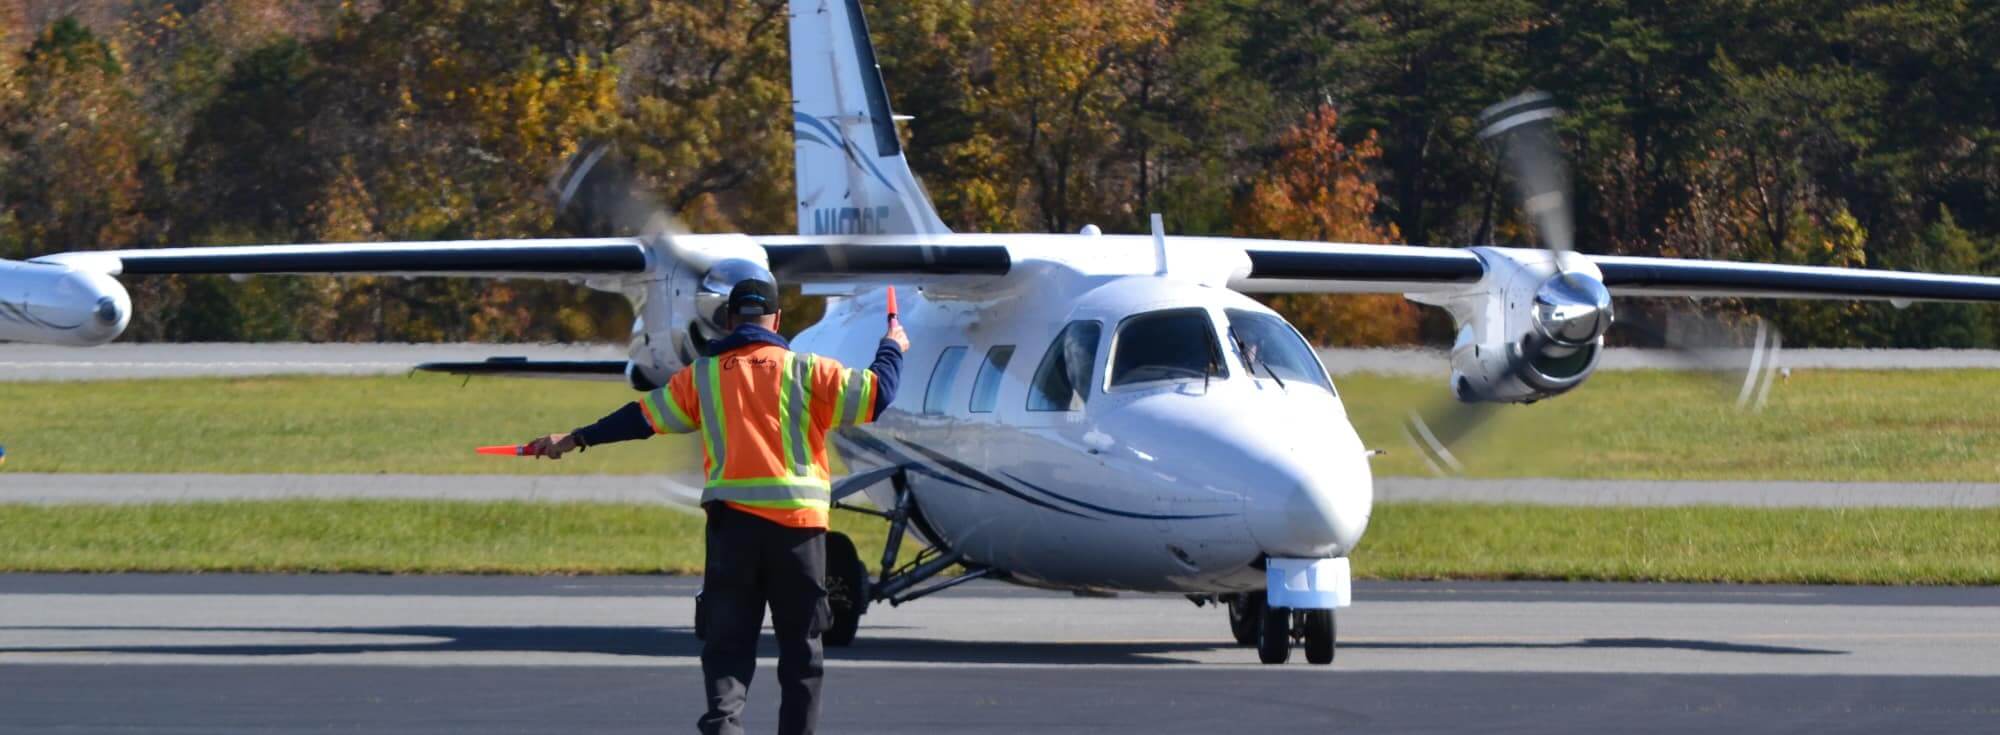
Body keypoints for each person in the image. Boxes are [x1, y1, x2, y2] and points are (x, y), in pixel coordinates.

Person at [523, 275, 907, 735]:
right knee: (802, 652)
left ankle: (725, 727)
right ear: (777, 319)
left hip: (733, 534)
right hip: (798, 535)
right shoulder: (808, 371)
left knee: (727, 648)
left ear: (728, 320)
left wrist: (575, 437)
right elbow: (877, 394)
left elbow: (642, 418)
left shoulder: (703, 376)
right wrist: (892, 347)